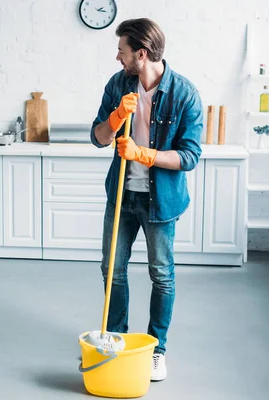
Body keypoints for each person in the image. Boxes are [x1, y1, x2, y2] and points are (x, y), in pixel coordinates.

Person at [90, 18, 202, 381]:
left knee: (162, 276)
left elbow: (189, 156)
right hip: (122, 196)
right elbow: (99, 137)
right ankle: (117, 340)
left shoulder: (184, 93)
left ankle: (157, 349)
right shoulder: (119, 84)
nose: (117, 57)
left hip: (161, 201)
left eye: (121, 51)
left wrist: (145, 155)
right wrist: (117, 115)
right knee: (112, 270)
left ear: (141, 53)